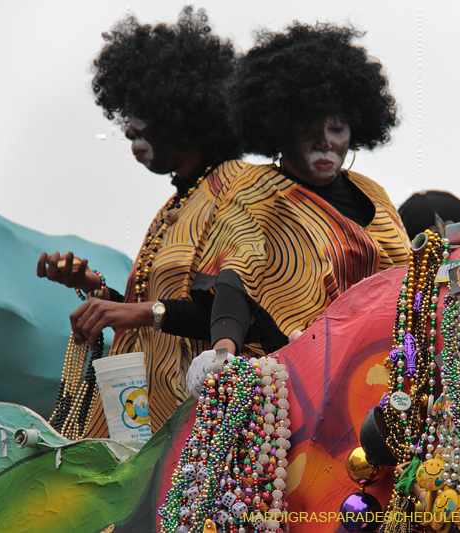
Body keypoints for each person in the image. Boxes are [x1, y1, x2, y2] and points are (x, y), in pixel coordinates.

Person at [37, 7, 250, 436]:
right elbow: (151, 309)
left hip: (200, 421)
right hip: (142, 418)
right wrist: (98, 288)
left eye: (143, 120)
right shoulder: (179, 202)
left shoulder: (238, 188)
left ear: (183, 112)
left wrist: (129, 311)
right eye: (128, 123)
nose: (132, 133)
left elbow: (227, 309)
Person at [185, 23, 411, 390]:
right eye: (307, 127)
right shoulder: (257, 190)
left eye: (336, 128)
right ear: (279, 129)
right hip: (301, 381)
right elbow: (238, 275)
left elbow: (407, 279)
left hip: (387, 373)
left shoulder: (375, 194)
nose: (325, 142)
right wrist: (222, 353)